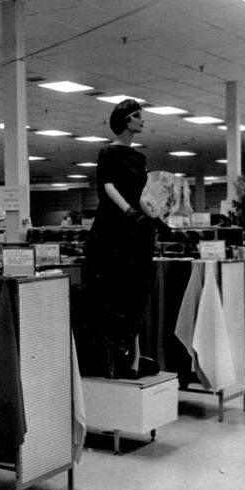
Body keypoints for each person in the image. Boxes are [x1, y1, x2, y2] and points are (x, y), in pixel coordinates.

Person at [83, 98, 159, 379]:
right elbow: (108, 187)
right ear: (126, 120)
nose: (142, 120)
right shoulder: (108, 153)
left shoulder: (139, 158)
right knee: (113, 293)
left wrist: (153, 215)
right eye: (138, 116)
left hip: (134, 230)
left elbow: (138, 195)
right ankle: (115, 358)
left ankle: (134, 358)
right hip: (111, 230)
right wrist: (128, 210)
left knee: (134, 293)